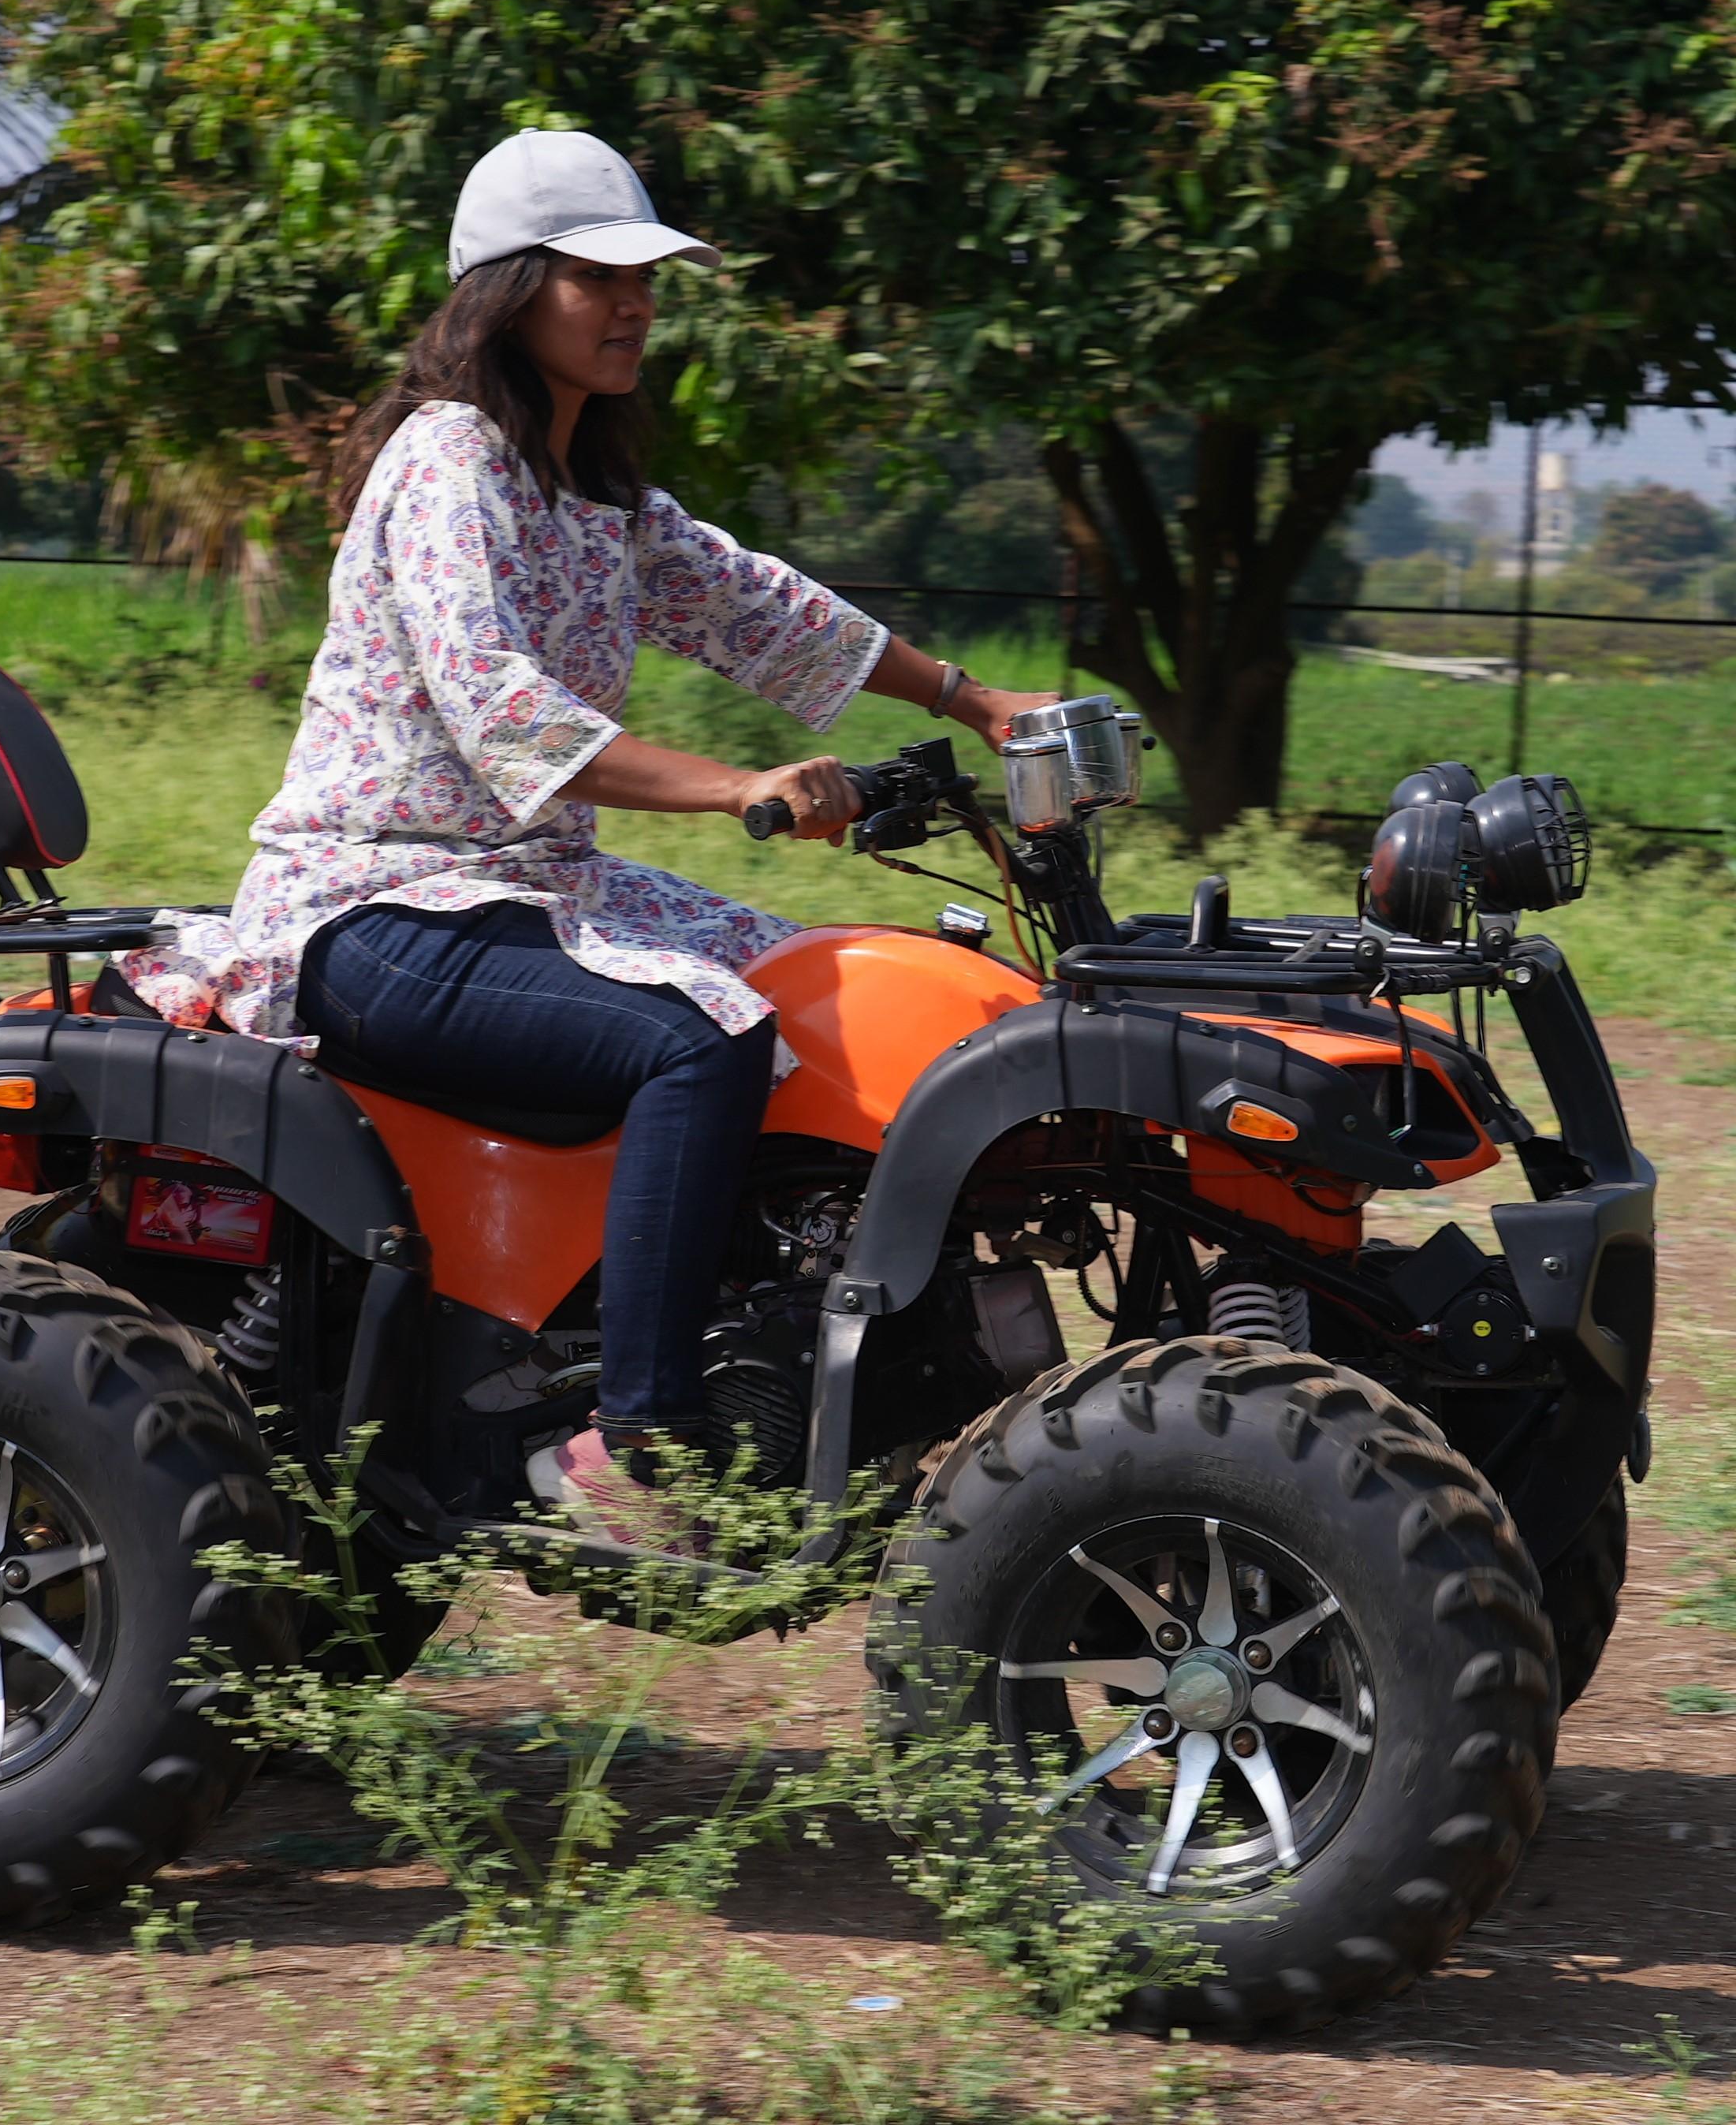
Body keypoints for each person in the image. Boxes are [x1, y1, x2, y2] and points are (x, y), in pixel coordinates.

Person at [121, 129, 1053, 1542]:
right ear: (507, 291)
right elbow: (506, 716)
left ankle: (783, 1336)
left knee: (837, 983)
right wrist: (740, 786)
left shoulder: (595, 496)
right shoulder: (446, 466)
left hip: (530, 891)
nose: (632, 305)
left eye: (644, 279)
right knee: (703, 1034)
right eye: (593, 276)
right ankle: (632, 1442)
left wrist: (976, 704)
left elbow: (761, 608)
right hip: (374, 904)